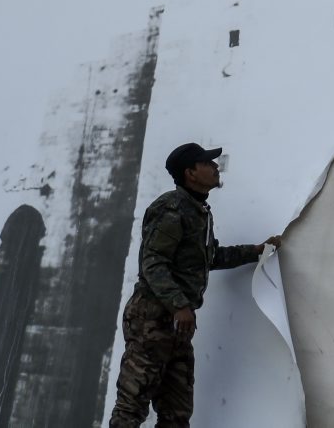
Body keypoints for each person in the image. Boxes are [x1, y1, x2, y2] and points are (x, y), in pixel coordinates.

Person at [109, 142, 282, 428]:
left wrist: (255, 251)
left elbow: (209, 257)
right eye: (208, 163)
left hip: (178, 326)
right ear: (190, 173)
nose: (215, 167)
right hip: (151, 321)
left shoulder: (198, 211)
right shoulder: (171, 209)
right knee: (131, 408)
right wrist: (179, 305)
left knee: (176, 414)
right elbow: (153, 263)